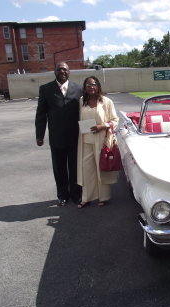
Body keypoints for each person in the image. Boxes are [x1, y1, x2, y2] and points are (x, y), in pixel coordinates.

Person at [35, 61, 82, 206]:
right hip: (57, 137)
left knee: (75, 168)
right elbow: (41, 114)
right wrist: (39, 135)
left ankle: (76, 194)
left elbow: (86, 111)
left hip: (75, 137)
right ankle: (62, 195)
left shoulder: (79, 89)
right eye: (59, 69)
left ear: (69, 72)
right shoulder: (46, 89)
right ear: (55, 72)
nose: (62, 72)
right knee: (59, 168)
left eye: (65, 69)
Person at [77, 76, 119, 208]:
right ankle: (86, 197)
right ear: (85, 88)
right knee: (87, 170)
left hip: (101, 140)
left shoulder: (106, 102)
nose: (91, 87)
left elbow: (115, 120)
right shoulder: (82, 101)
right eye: (88, 85)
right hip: (86, 140)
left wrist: (103, 126)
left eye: (93, 84)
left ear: (98, 86)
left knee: (101, 169)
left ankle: (103, 197)